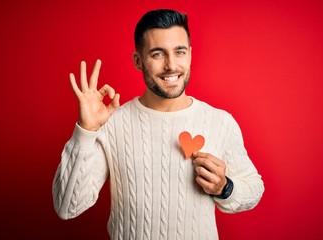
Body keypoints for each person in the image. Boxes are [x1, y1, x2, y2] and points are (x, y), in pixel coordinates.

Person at [52, 9, 264, 240]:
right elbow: (67, 207)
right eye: (157, 54)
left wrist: (225, 188)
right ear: (138, 61)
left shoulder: (220, 121)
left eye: (179, 52)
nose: (171, 65)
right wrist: (86, 131)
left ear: (190, 55)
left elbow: (254, 189)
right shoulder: (113, 124)